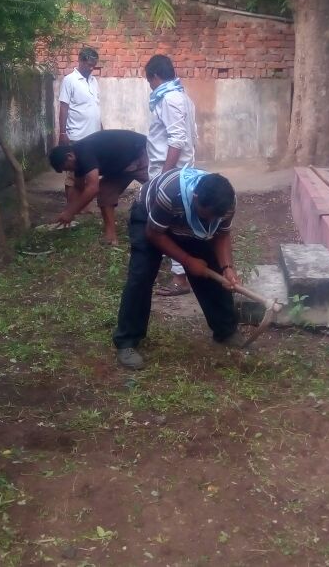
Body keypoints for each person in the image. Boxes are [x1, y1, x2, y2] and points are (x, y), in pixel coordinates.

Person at [111, 167, 240, 370]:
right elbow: (154, 234)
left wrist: (227, 267)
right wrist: (187, 260)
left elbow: (221, 234)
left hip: (186, 222)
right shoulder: (170, 194)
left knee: (212, 271)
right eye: (206, 216)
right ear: (195, 198)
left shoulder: (226, 204)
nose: (210, 222)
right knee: (141, 275)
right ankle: (127, 341)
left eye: (214, 218)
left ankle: (225, 330)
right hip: (149, 218)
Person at [144, 54, 200, 297]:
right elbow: (191, 135)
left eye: (149, 80)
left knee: (171, 223)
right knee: (173, 221)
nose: (150, 85)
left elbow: (177, 140)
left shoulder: (170, 98)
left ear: (156, 76)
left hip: (171, 172)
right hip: (176, 170)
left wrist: (164, 177)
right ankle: (177, 272)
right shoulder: (181, 96)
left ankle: (180, 278)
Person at [48, 129, 150, 244]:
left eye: (66, 168)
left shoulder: (84, 152)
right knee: (105, 192)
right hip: (120, 167)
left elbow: (92, 188)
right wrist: (68, 210)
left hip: (140, 154)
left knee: (159, 190)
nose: (68, 171)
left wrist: (70, 212)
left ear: (69, 156)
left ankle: (162, 228)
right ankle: (111, 237)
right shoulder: (77, 163)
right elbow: (79, 187)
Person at [57, 46, 102, 204]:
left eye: (94, 65)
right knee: (73, 174)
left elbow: (95, 107)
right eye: (89, 65)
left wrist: (101, 130)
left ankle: (82, 206)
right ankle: (71, 206)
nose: (91, 68)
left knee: (88, 172)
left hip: (93, 136)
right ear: (80, 61)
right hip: (77, 136)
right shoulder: (70, 80)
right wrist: (62, 133)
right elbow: (64, 107)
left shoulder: (94, 81)